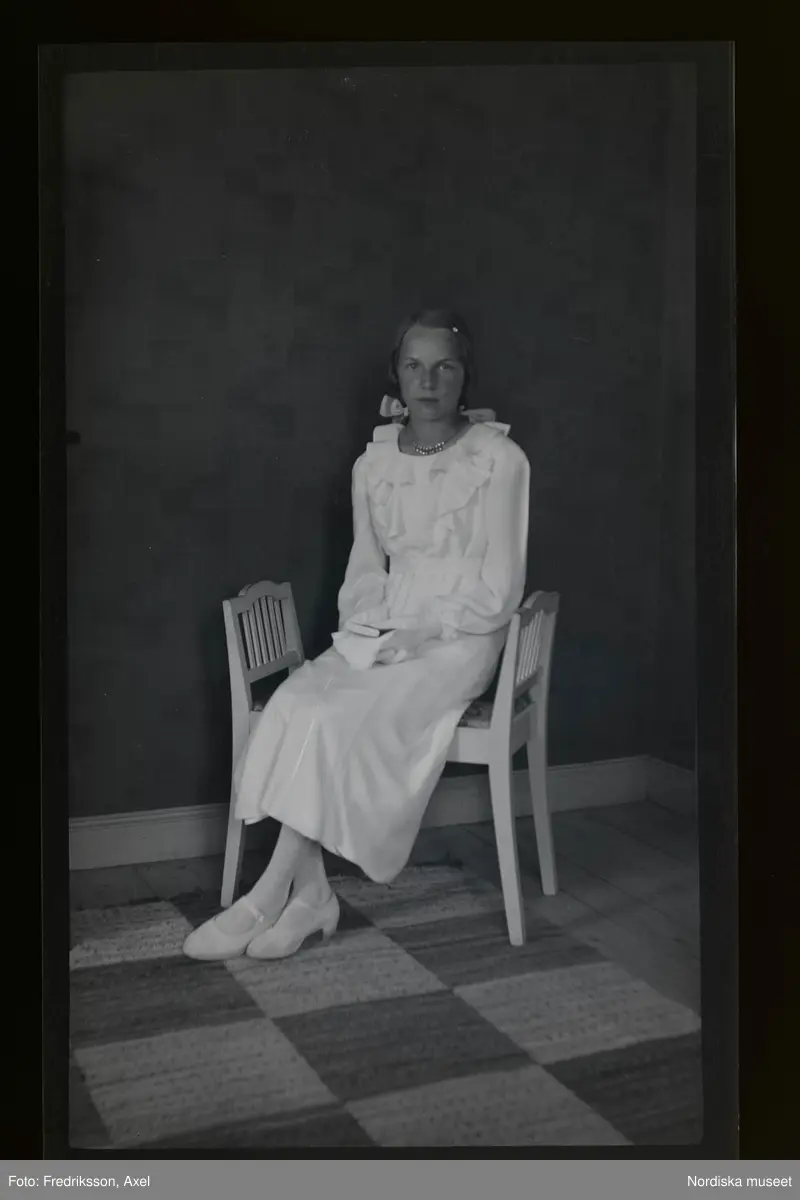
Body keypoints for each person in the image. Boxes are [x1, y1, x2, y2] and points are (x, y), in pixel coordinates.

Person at [183, 309, 530, 962]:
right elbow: (366, 568)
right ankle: (313, 896)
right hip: (386, 627)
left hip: (461, 637)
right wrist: (366, 632)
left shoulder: (500, 459)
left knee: (338, 717)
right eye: (414, 366)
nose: (428, 381)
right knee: (298, 701)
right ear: (396, 375)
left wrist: (423, 629)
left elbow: (501, 590)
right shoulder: (373, 463)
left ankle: (266, 896)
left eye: (445, 367)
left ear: (465, 377)